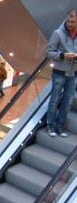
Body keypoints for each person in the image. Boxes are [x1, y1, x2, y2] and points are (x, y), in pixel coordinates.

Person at [46, 9, 77, 137]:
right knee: (54, 100)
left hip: (73, 73)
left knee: (68, 101)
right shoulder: (57, 33)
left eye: (73, 22)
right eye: (68, 21)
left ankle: (60, 127)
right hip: (59, 73)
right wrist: (63, 55)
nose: (69, 23)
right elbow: (49, 53)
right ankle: (50, 126)